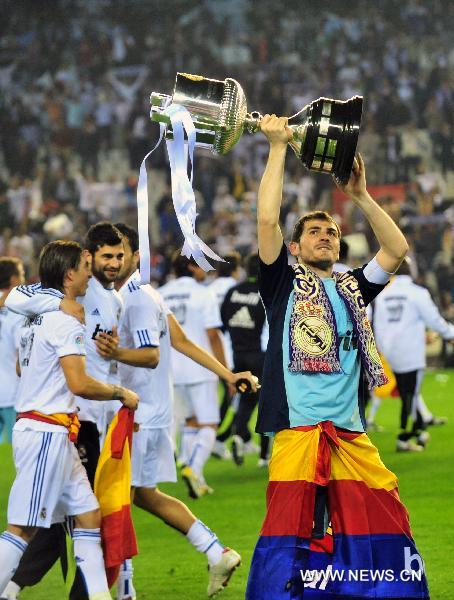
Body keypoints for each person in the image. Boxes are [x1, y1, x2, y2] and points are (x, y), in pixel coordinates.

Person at [246, 115, 429, 599]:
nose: (325, 235)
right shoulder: (281, 285)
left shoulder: (352, 289)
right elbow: (266, 219)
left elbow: (396, 248)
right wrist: (278, 147)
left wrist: (362, 196)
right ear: (294, 247)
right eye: (314, 232)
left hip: (349, 433)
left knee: (381, 523)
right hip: (299, 432)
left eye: (330, 231)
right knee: (291, 539)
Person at [94, 224, 257, 598]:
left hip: (137, 414)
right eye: (110, 255)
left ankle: (127, 589)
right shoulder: (144, 293)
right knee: (142, 495)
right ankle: (216, 551)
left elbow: (151, 356)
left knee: (114, 498)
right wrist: (228, 374)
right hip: (150, 412)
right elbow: (181, 340)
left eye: (121, 254)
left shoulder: (135, 299)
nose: (115, 262)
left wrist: (114, 353)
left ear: (135, 256)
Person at [0, 240, 139, 600]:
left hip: (54, 431)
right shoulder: (64, 321)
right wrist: (121, 393)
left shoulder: (32, 318)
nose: (89, 271)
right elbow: (79, 383)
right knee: (23, 528)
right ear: (69, 274)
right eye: (85, 264)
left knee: (88, 516)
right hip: (46, 432)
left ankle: (98, 597)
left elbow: (21, 365)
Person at [159, 253, 227, 496]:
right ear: (190, 266)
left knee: (190, 422)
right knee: (210, 423)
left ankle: (195, 474)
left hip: (171, 369)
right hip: (200, 365)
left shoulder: (161, 293)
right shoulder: (202, 293)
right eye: (201, 265)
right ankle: (194, 468)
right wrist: (225, 369)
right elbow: (212, 335)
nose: (205, 271)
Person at [373, 257, 454, 451]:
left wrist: (384, 349)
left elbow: (378, 324)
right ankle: (404, 438)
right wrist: (450, 334)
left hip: (391, 352)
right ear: (412, 271)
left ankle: (418, 431)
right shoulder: (417, 293)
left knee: (407, 393)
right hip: (411, 352)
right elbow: (434, 320)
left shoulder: (383, 295)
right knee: (410, 395)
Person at [220, 253, 269, 466]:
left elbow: (223, 321)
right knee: (268, 403)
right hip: (261, 355)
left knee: (246, 400)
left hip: (238, 356)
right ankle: (264, 456)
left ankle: (239, 436)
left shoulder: (232, 292)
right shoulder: (266, 292)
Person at [209, 252, 241, 461]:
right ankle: (225, 438)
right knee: (239, 398)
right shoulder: (236, 289)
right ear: (236, 269)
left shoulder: (208, 290)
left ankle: (218, 439)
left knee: (225, 398)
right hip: (234, 349)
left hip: (211, 353)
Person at [0, 258, 25, 444]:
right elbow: (23, 355)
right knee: (12, 460)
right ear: (14, 279)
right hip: (12, 396)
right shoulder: (17, 309)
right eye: (22, 275)